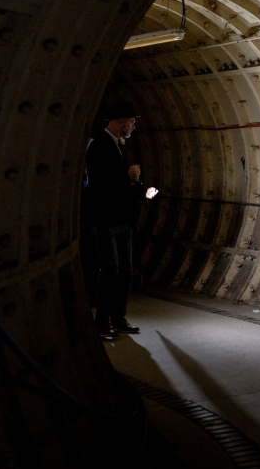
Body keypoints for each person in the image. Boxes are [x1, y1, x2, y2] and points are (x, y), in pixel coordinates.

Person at [85, 100, 158, 339]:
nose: (134, 125)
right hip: (104, 219)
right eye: (131, 121)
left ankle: (118, 316)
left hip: (123, 220)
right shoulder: (98, 146)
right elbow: (100, 185)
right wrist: (128, 177)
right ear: (118, 122)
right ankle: (102, 321)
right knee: (111, 269)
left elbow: (126, 186)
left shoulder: (120, 145)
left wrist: (142, 191)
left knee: (126, 270)